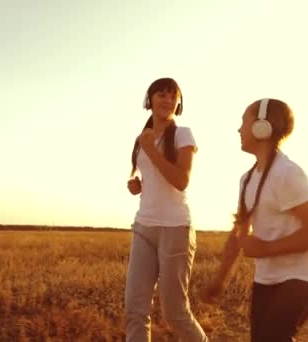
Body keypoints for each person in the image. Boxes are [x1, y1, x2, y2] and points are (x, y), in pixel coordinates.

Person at [201, 98, 308, 341]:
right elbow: (238, 234)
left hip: (302, 276)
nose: (239, 129)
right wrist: (220, 279)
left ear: (262, 126)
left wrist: (267, 248)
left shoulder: (287, 174)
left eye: (243, 121)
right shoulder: (247, 179)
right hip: (267, 278)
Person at [125, 77, 207, 342]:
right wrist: (138, 185)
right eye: (162, 94)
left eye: (173, 96)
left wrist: (151, 150)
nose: (168, 100)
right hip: (144, 226)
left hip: (175, 228)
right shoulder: (143, 138)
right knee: (135, 310)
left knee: (174, 313)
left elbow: (181, 180)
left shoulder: (183, 134)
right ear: (149, 100)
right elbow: (152, 175)